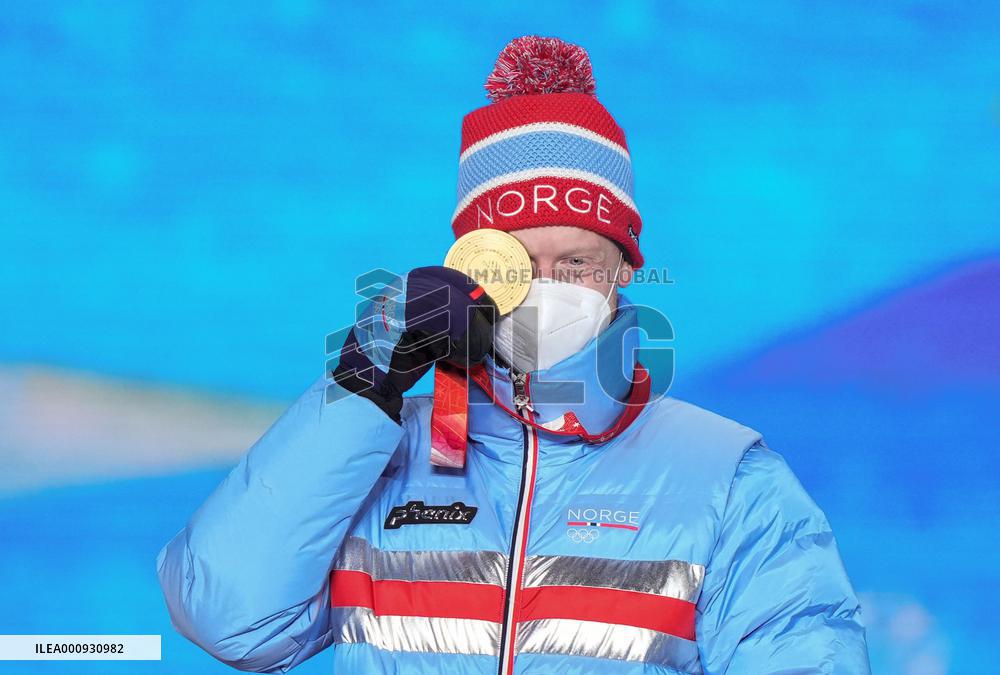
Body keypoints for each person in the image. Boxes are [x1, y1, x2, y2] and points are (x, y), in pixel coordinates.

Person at [157, 35, 870, 674]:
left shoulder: (729, 478)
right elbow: (229, 618)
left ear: (623, 269)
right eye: (519, 261)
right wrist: (365, 376)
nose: (549, 288)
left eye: (579, 260)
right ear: (470, 267)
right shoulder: (381, 455)